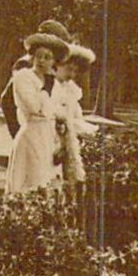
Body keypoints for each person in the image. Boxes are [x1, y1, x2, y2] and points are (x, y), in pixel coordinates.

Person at [6, 29, 70, 194]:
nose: (41, 60)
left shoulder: (54, 84)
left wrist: (61, 137)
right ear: (32, 56)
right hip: (32, 134)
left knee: (50, 182)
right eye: (38, 55)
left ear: (54, 61)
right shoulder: (23, 77)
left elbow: (58, 110)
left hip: (49, 138)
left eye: (47, 57)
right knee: (32, 181)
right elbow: (35, 109)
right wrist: (46, 89)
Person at [1, 19, 70, 137]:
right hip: (27, 123)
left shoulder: (50, 68)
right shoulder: (26, 65)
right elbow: (7, 99)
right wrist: (17, 130)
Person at [53, 44, 98, 183]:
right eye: (69, 69)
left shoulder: (71, 90)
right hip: (49, 139)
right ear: (57, 65)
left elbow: (76, 117)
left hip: (67, 142)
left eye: (75, 71)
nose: (72, 75)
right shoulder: (48, 87)